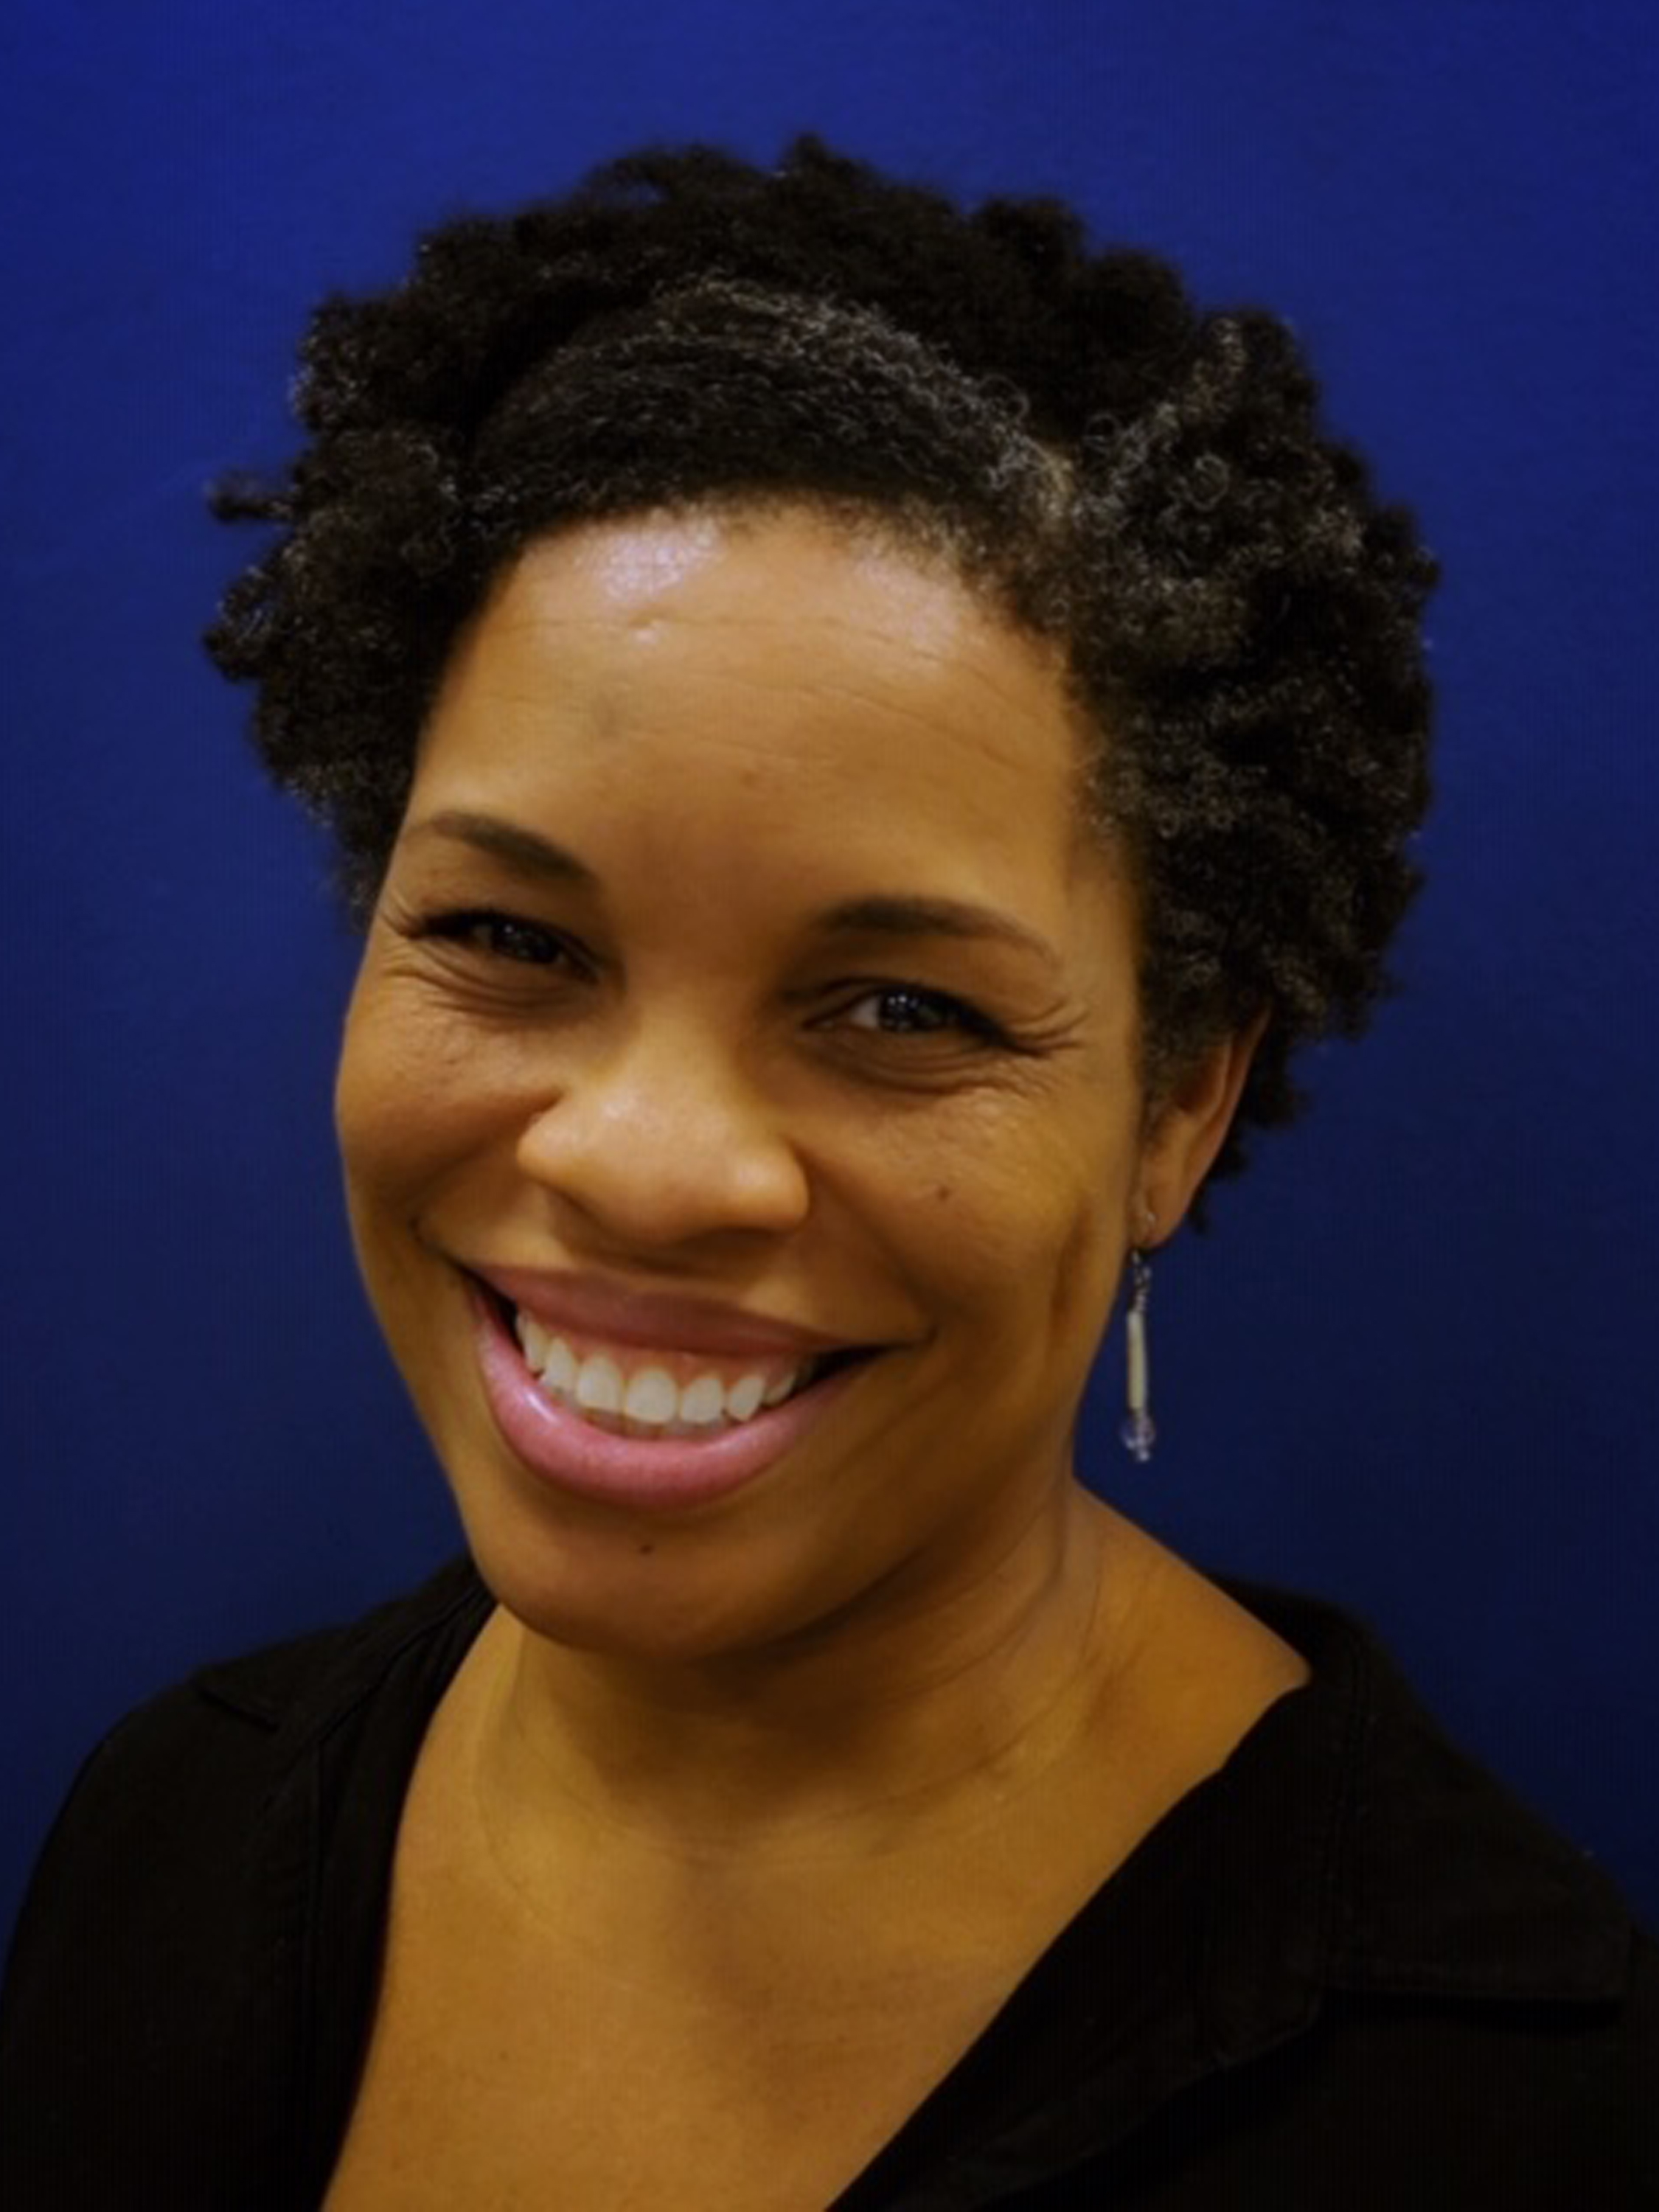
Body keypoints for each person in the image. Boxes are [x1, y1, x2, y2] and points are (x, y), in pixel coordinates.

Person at [1, 139, 1652, 2209]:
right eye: (512, 939)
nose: (644, 1167)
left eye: (898, 1008)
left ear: (1176, 1106)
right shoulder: (164, 1838)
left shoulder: (1517, 2120)